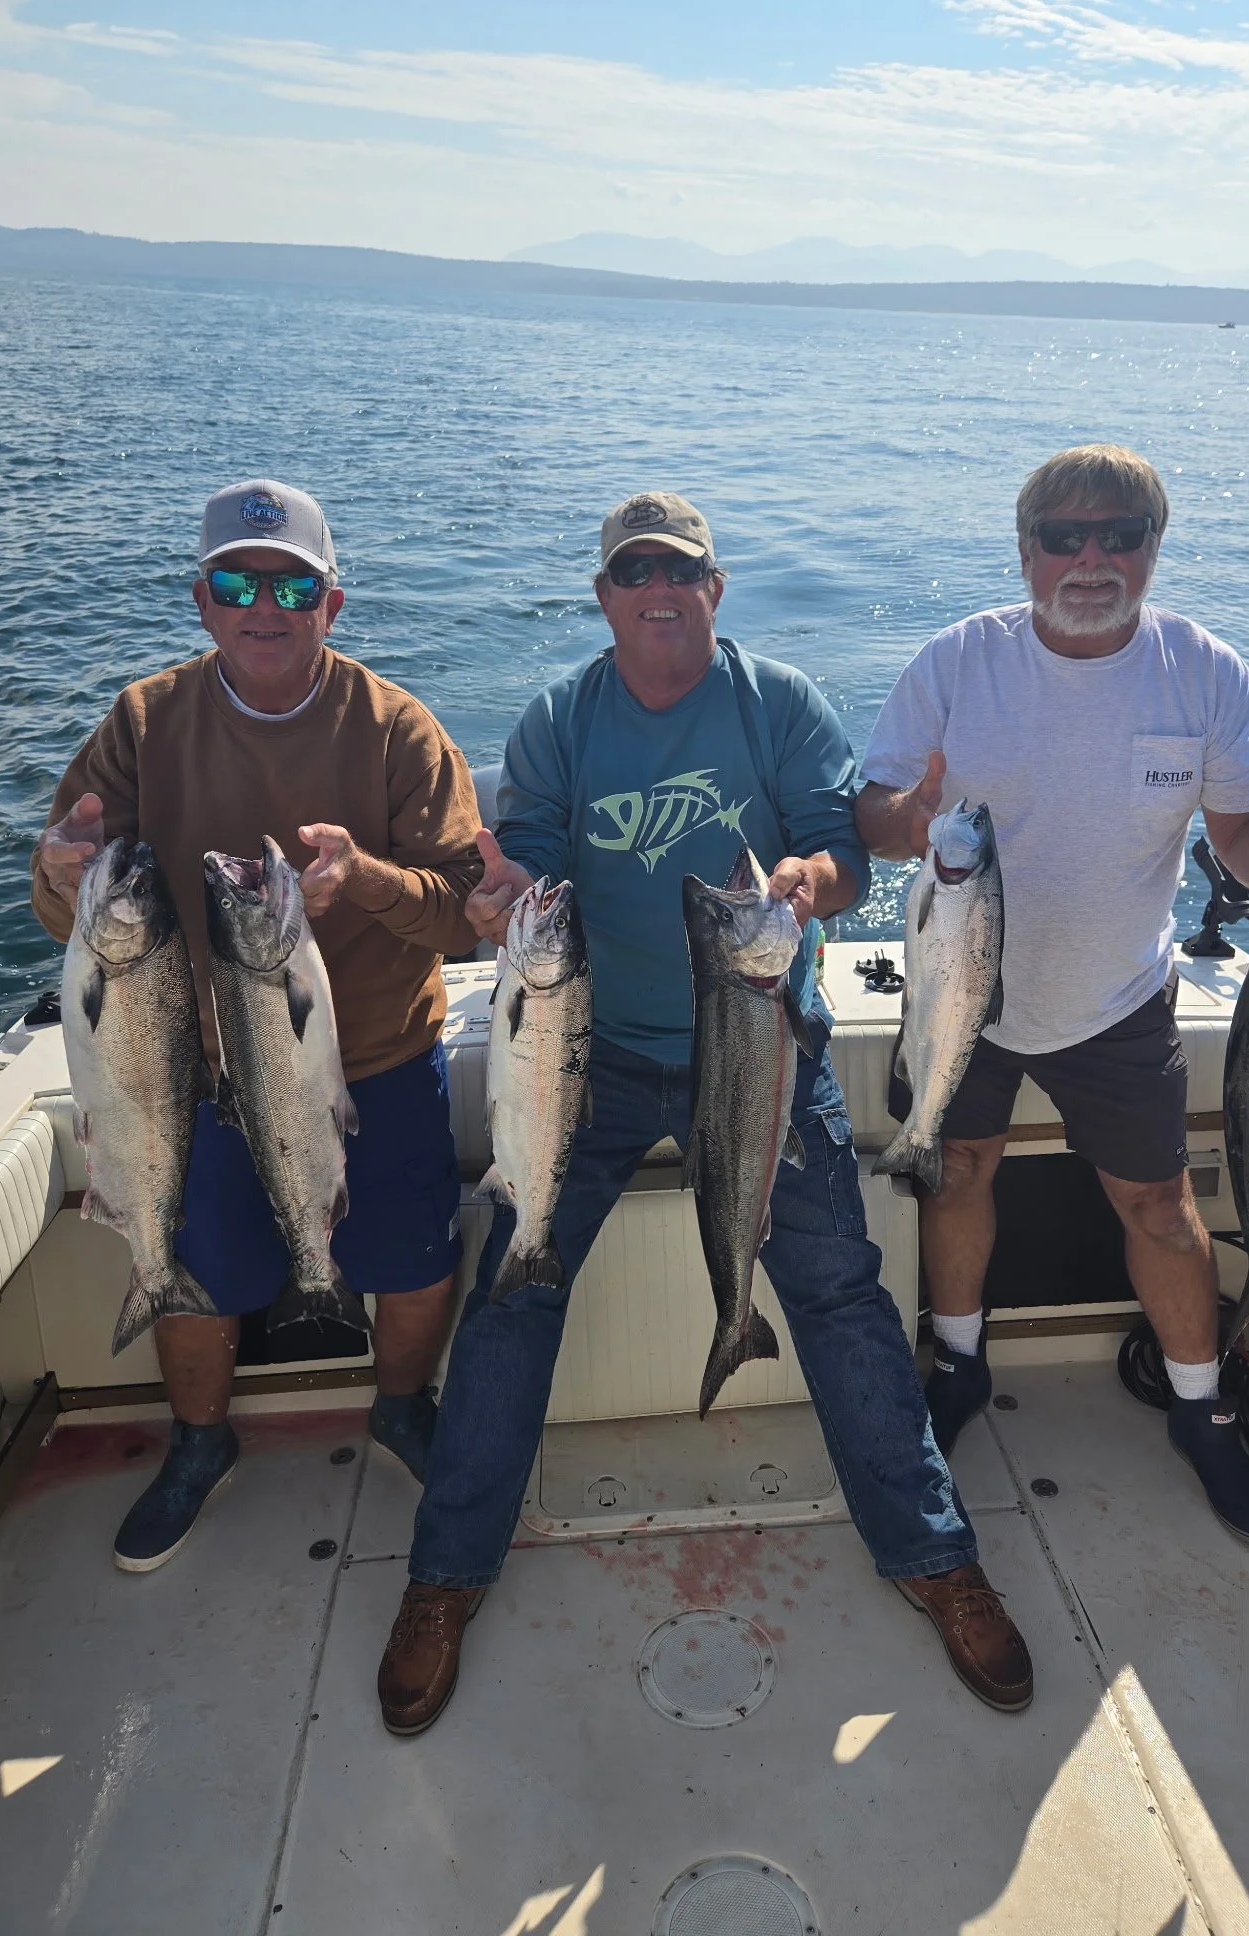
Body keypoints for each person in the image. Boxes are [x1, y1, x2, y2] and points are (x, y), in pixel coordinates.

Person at [376, 489, 1034, 1736]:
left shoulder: (775, 700)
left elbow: (846, 851)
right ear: (606, 596)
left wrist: (811, 877)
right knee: (518, 1284)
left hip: (769, 1038)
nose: (657, 589)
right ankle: (443, 1575)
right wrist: (497, 886)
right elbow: (516, 860)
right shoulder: (563, 716)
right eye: (632, 572)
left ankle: (933, 1550)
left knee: (838, 1289)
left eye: (679, 569)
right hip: (592, 1053)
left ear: (715, 589)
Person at [855, 444, 1249, 1545]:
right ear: (1026, 550)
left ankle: (1201, 1405)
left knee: (1160, 1204)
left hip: (1118, 999)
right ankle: (956, 1362)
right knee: (956, 1174)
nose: (1090, 557)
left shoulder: (1203, 671)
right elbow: (872, 807)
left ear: (1153, 550)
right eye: (1064, 535)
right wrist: (904, 821)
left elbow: (1245, 838)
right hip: (966, 997)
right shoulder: (958, 660)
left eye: (1120, 536)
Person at [32, 479, 483, 1570]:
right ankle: (197, 1439)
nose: (263, 604)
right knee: (196, 1265)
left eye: (292, 583)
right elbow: (69, 900)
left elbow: (467, 918)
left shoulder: (398, 728)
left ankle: (400, 1407)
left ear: (334, 601)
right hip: (181, 1069)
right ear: (201, 601)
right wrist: (56, 871)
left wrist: (366, 879)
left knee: (414, 1260)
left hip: (373, 1057)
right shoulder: (143, 721)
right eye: (238, 582)